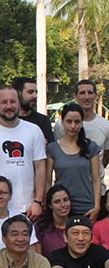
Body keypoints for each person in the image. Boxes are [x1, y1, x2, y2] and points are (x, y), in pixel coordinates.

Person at [0, 85, 46, 219]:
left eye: (12, 101)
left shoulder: (34, 130)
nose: (9, 106)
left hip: (29, 208)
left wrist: (38, 201)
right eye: (4, 102)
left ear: (19, 103)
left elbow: (40, 167)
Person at [54, 79, 109, 218]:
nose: (86, 96)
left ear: (96, 96)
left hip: (94, 194)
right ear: (76, 96)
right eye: (82, 93)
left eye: (90, 93)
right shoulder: (61, 127)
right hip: (66, 196)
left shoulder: (105, 125)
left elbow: (106, 155)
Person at [46, 103, 101, 221]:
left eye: (77, 122)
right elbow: (48, 180)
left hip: (86, 206)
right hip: (61, 207)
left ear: (82, 123)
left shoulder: (90, 147)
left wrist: (97, 206)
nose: (73, 126)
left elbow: (96, 179)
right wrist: (47, 205)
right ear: (62, 122)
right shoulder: (52, 148)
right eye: (69, 121)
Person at [13, 76, 54, 144]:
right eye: (30, 92)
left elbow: (50, 149)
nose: (35, 96)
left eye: (36, 92)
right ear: (18, 94)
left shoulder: (43, 121)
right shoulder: (5, 121)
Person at [34, 185, 73, 257]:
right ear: (50, 205)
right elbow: (37, 259)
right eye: (57, 201)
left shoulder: (77, 225)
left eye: (66, 200)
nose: (63, 204)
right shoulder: (40, 227)